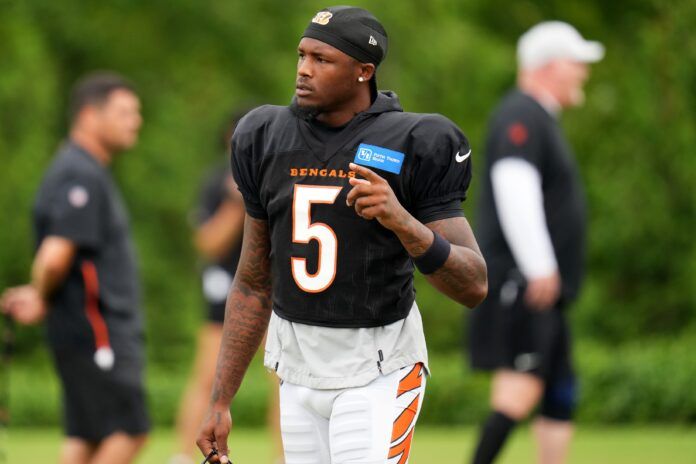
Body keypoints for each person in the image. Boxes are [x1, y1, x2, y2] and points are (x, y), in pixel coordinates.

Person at [196, 6, 488, 464]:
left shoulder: (413, 141)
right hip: (296, 371)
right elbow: (253, 283)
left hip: (377, 368)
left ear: (363, 72)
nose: (304, 70)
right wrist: (220, 401)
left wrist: (402, 220)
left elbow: (473, 284)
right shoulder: (265, 136)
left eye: (322, 59)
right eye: (301, 55)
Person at [468, 22, 604, 464]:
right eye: (575, 62)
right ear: (549, 66)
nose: (583, 72)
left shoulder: (540, 118)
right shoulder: (521, 115)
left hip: (548, 291)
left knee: (559, 394)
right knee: (518, 392)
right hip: (526, 284)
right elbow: (514, 187)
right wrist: (539, 266)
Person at [0, 72, 149, 464]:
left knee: (87, 436)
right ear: (88, 115)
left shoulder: (82, 169)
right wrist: (39, 295)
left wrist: (39, 294)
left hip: (87, 329)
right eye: (124, 112)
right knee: (130, 430)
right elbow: (54, 255)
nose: (135, 120)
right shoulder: (79, 173)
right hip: (97, 328)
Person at [170, 111, 284, 464]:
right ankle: (181, 456)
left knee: (284, 381)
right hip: (227, 288)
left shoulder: (280, 177)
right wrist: (239, 200)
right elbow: (207, 243)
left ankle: (287, 458)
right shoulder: (215, 182)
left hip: (275, 289)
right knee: (208, 377)